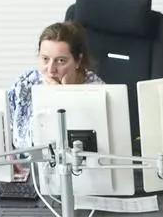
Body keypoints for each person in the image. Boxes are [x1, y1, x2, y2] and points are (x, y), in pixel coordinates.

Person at [7, 21, 103, 151]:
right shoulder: (25, 83)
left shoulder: (96, 91)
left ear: (78, 61)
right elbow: (5, 131)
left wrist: (62, 96)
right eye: (45, 59)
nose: (51, 69)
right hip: (22, 162)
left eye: (61, 61)